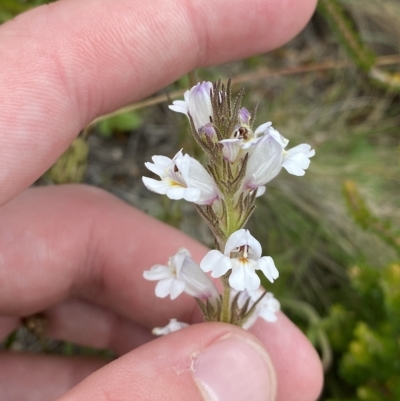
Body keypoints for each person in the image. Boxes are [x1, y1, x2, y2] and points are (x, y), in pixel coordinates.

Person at [0, 0, 323, 400]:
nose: (241, 252)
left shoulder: (244, 230)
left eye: (245, 252)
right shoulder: (221, 225)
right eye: (243, 252)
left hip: (244, 191)